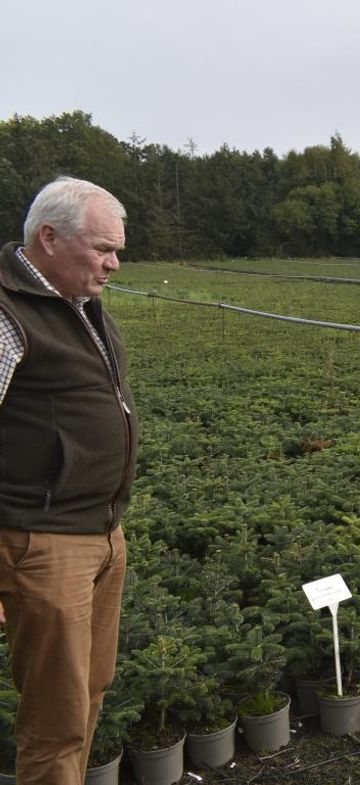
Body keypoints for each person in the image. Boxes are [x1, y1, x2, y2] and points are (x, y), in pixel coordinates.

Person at [0, 177, 139, 785]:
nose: (112, 264)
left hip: (101, 533)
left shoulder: (79, 304)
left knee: (88, 694)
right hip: (42, 540)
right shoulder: (6, 315)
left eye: (117, 252)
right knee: (56, 721)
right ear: (49, 238)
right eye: (103, 249)